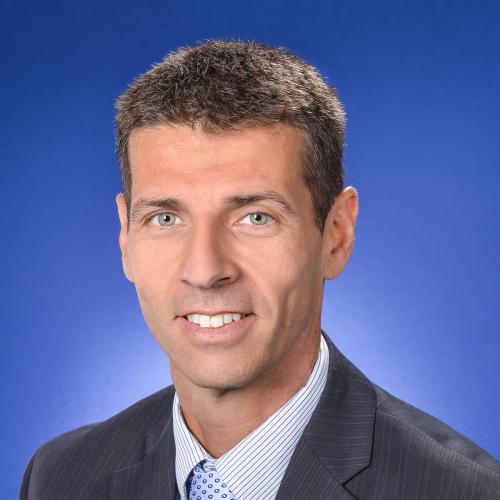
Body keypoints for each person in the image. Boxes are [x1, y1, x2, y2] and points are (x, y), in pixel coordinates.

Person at [20, 40, 500, 500]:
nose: (205, 270)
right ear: (126, 238)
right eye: (165, 218)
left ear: (336, 234)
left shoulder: (463, 491)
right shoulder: (60, 478)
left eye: (255, 218)